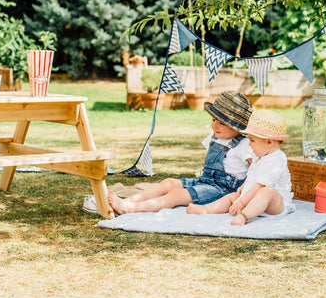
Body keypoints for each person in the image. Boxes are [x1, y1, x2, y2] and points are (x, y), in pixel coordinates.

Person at [108, 91, 254, 215]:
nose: (215, 125)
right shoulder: (214, 137)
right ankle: (129, 200)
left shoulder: (245, 145)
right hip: (205, 182)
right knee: (168, 183)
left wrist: (246, 191)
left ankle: (130, 208)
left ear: (237, 127)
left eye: (222, 123)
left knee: (176, 195)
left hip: (222, 191)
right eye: (214, 119)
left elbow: (256, 169)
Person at [186, 109, 294, 225]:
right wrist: (244, 185)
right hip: (253, 198)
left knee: (267, 192)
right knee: (232, 196)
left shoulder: (276, 160)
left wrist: (242, 203)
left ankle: (244, 216)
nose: (249, 144)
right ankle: (206, 209)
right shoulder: (261, 155)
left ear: (269, 143)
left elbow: (259, 185)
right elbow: (253, 174)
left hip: (275, 205)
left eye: (252, 140)